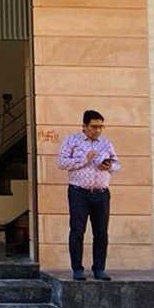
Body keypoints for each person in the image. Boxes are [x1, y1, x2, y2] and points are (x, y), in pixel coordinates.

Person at [57, 109, 119, 281]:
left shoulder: (105, 143)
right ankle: (77, 269)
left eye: (101, 127)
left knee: (101, 233)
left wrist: (109, 166)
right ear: (84, 126)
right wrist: (85, 158)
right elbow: (61, 163)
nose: (97, 130)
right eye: (94, 127)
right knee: (77, 231)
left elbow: (117, 163)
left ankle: (99, 269)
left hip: (101, 193)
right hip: (79, 192)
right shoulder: (72, 141)